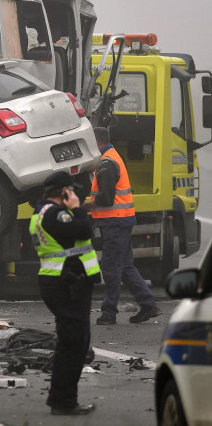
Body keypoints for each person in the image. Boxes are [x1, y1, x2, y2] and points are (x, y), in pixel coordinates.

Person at [30, 170, 101, 415]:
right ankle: (62, 402)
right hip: (66, 284)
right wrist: (78, 209)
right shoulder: (56, 214)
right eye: (71, 190)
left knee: (76, 343)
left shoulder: (43, 213)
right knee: (73, 343)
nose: (74, 194)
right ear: (64, 192)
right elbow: (84, 231)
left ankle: (63, 400)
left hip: (64, 283)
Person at [84, 127, 161, 325]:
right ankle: (148, 305)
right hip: (120, 221)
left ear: (95, 142)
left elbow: (106, 198)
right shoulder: (111, 157)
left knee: (111, 269)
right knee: (126, 267)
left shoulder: (106, 163)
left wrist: (84, 205)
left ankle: (109, 313)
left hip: (114, 223)